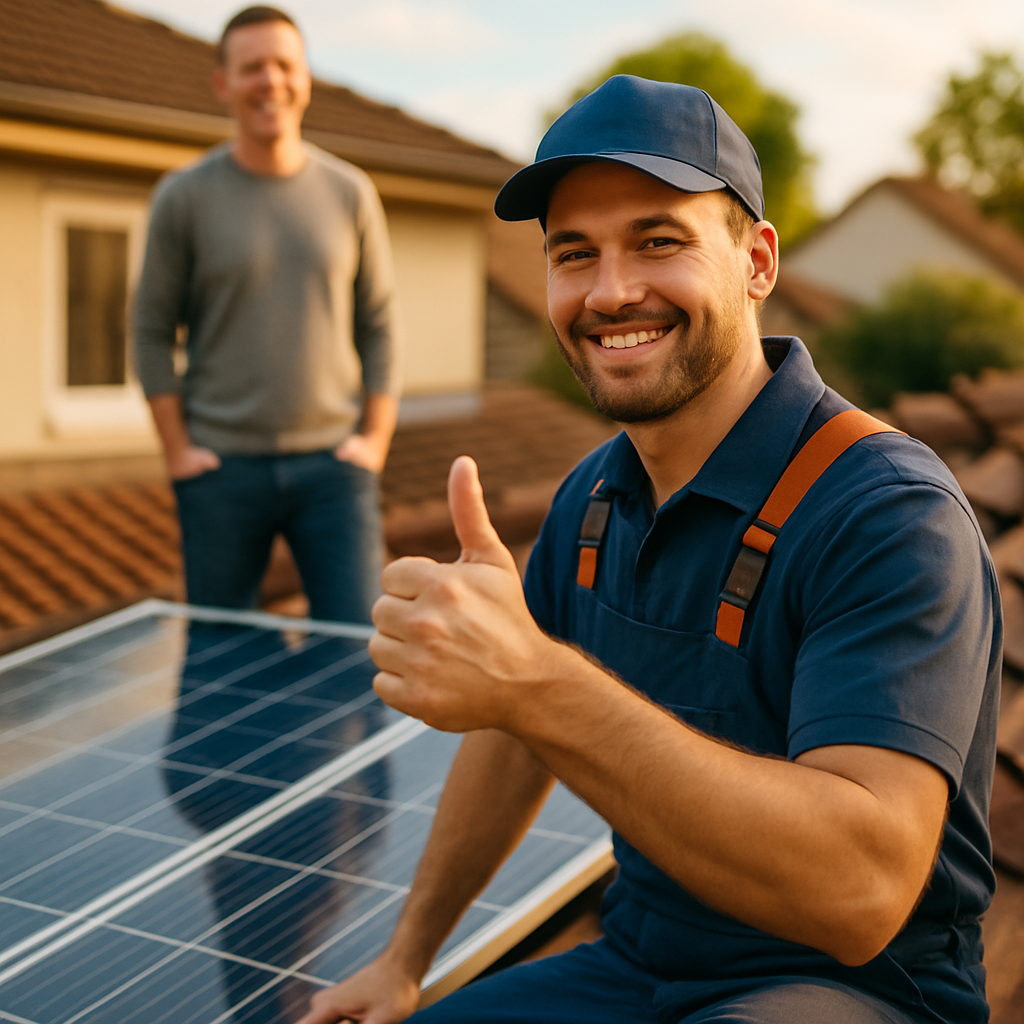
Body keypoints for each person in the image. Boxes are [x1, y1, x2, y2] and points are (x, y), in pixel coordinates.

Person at [298, 76, 1001, 1024]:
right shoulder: (593, 496)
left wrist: (538, 682)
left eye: (659, 241)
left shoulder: (889, 517)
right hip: (635, 961)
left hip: (849, 991)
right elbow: (514, 737)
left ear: (756, 262)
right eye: (573, 254)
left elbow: (861, 894)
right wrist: (405, 959)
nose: (611, 290)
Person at [134, 5, 401, 625]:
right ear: (223, 84)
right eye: (252, 68)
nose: (270, 82)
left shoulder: (350, 191)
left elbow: (380, 323)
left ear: (306, 78)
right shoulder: (183, 197)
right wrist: (177, 451)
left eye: (284, 65)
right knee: (217, 662)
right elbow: (150, 331)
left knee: (357, 651)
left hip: (335, 470)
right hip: (220, 469)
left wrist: (374, 440)